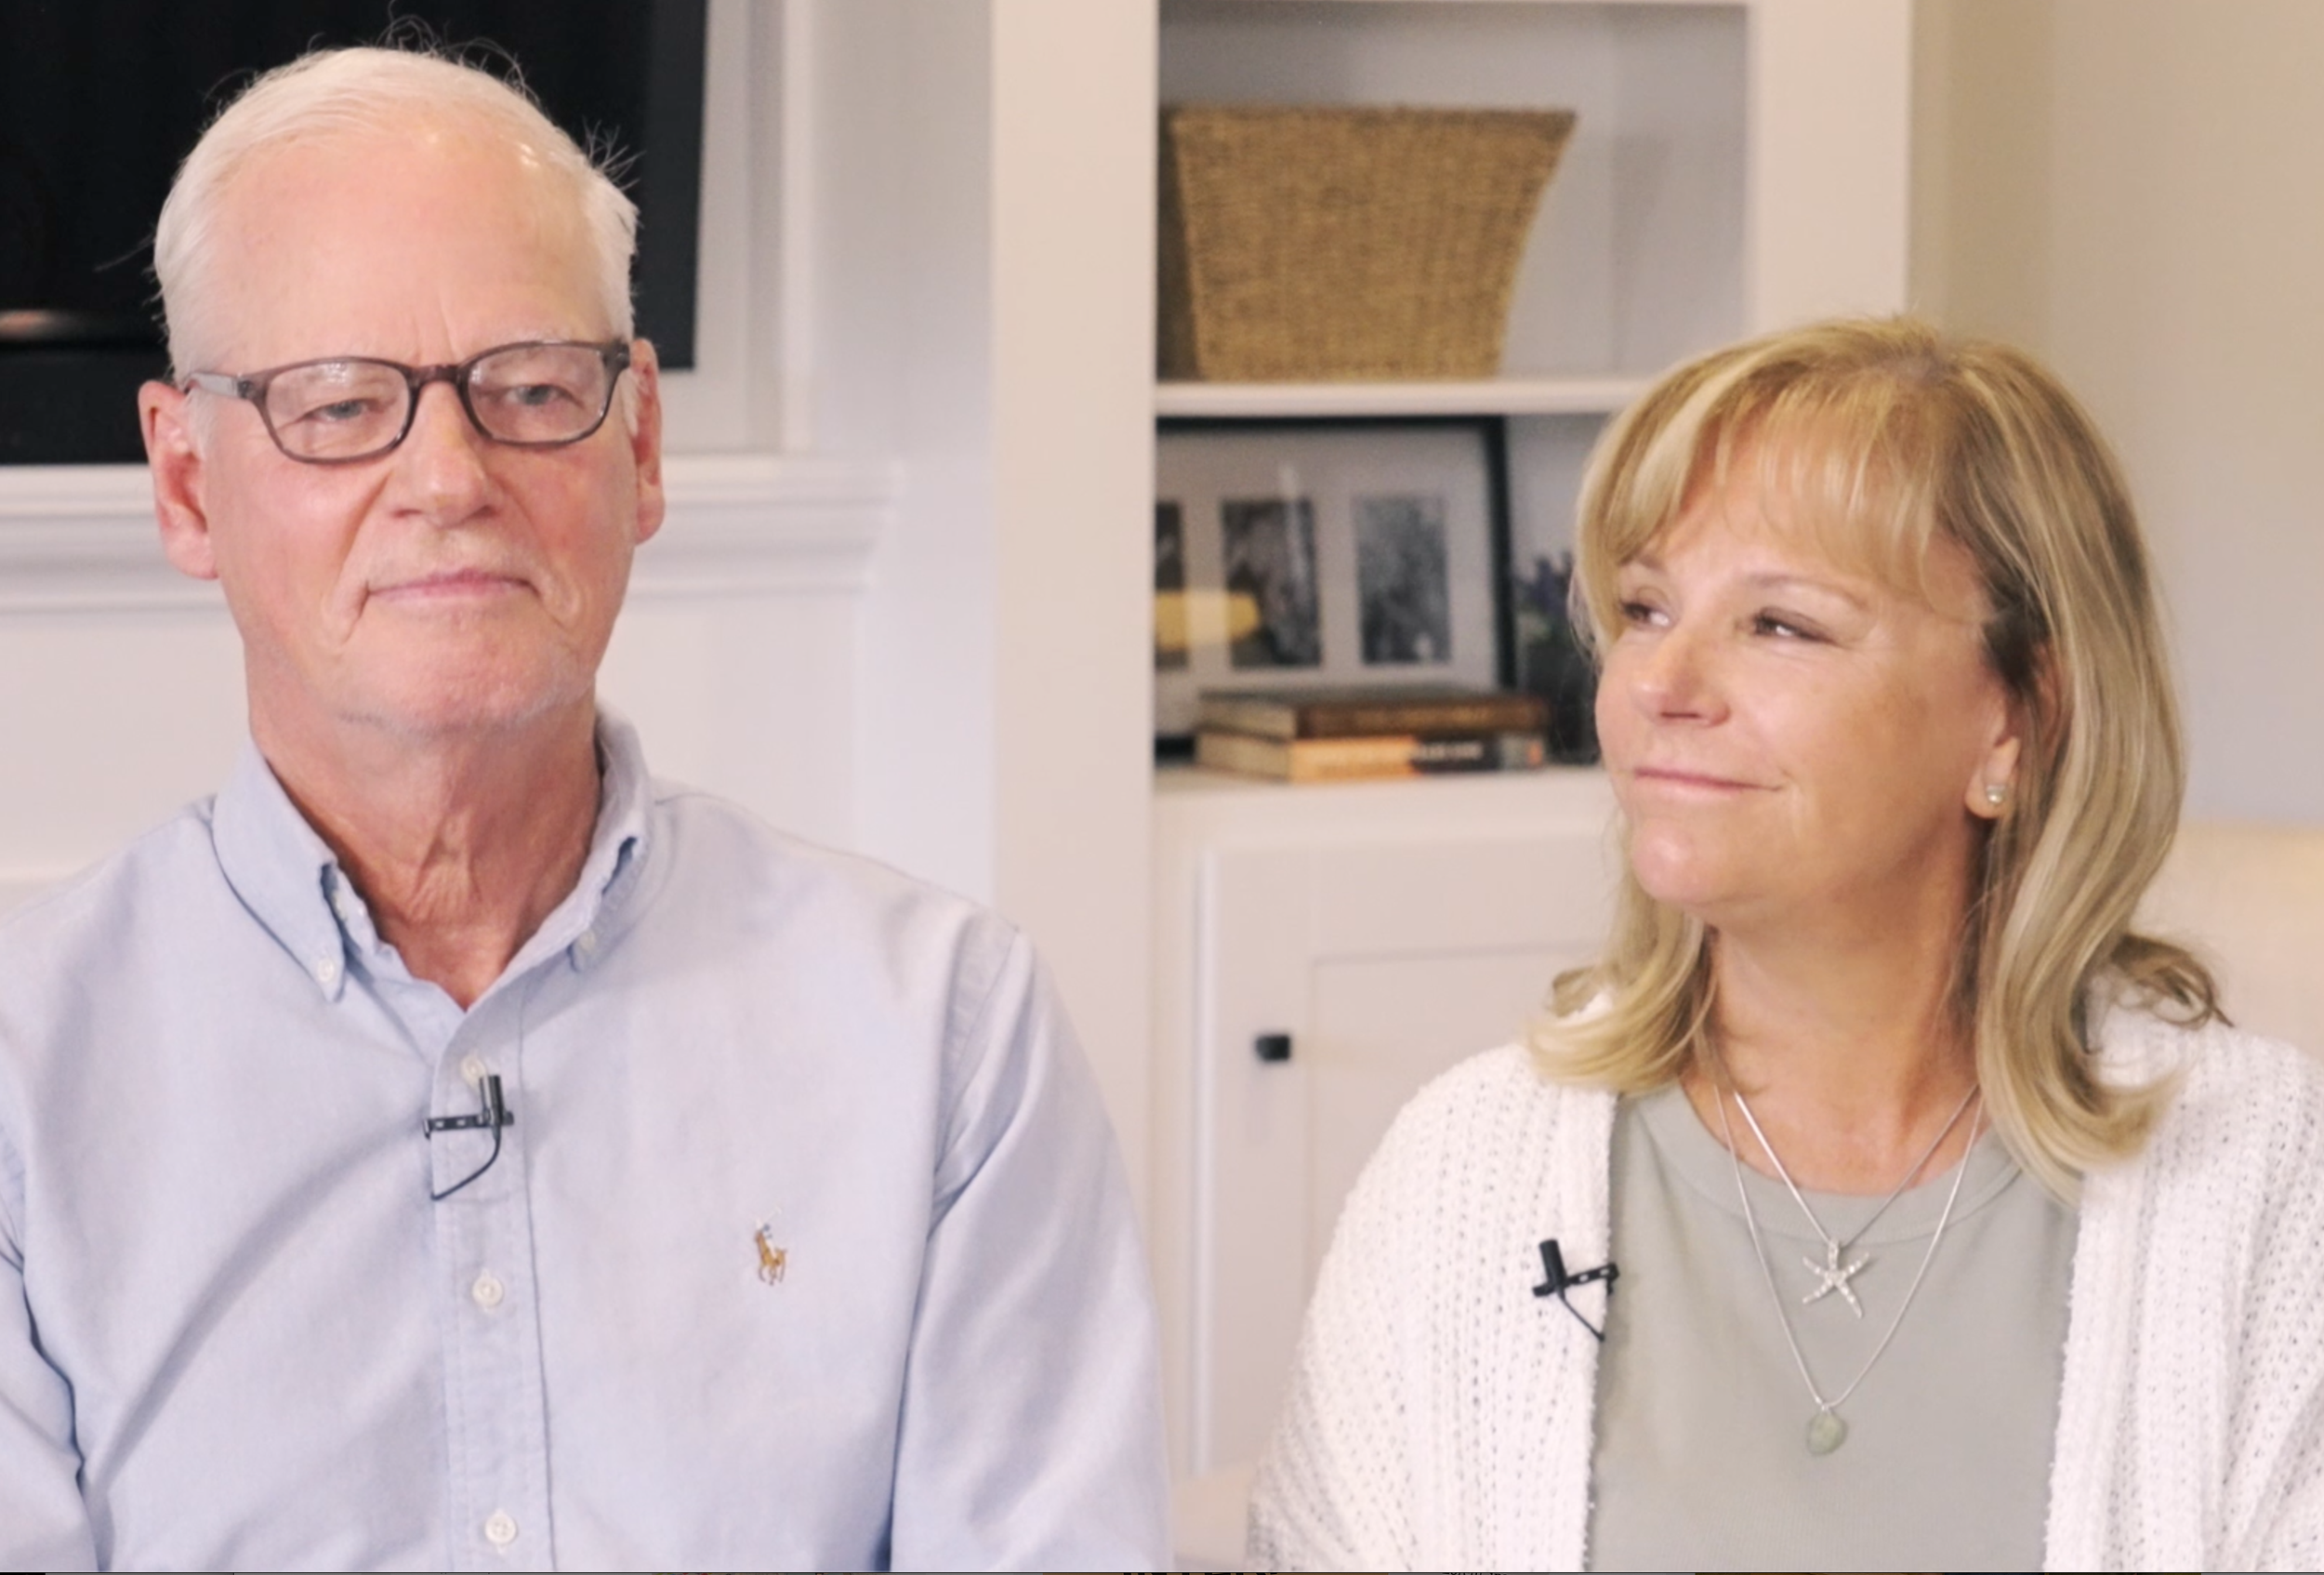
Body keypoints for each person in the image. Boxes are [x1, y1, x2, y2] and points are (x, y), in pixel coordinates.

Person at [0, 45, 1169, 1571]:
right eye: (342, 403)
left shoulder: (947, 1031)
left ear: (640, 443)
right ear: (186, 487)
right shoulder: (23, 1078)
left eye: (532, 388)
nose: (448, 475)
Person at [1249, 318, 2324, 1570]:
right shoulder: (1463, 1173)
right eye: (1646, 606)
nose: (1663, 680)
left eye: (1779, 625)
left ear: (2017, 721)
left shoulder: (2257, 1175)